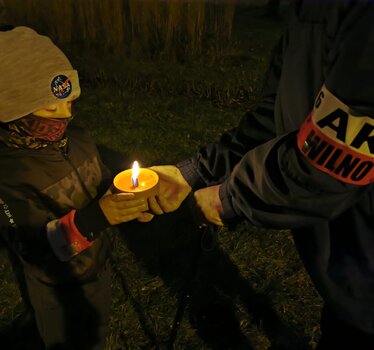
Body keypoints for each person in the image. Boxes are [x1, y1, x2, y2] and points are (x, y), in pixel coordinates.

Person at [148, 1, 374, 348]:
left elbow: (336, 161)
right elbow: (278, 118)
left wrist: (230, 199)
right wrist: (193, 172)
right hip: (350, 283)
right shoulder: (308, 13)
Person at [0, 26, 153, 349]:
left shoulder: (77, 139)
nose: (65, 116)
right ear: (14, 108)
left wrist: (129, 201)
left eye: (70, 103)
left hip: (97, 270)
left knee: (96, 335)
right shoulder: (4, 174)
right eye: (50, 108)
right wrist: (98, 217)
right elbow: (32, 248)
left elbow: (102, 183)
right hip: (57, 292)